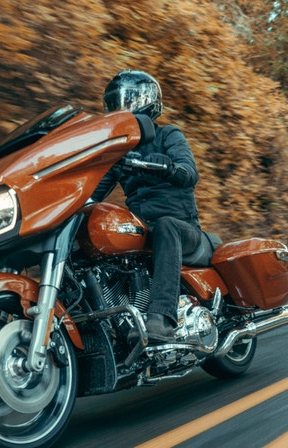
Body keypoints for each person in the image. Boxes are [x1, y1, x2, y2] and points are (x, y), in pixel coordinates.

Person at [90, 69, 212, 344]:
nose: (121, 107)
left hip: (182, 230)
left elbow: (189, 173)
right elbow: (94, 191)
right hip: (143, 231)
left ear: (147, 100)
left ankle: (161, 318)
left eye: (128, 100)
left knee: (166, 226)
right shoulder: (119, 153)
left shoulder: (168, 135)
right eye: (115, 102)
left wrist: (164, 165)